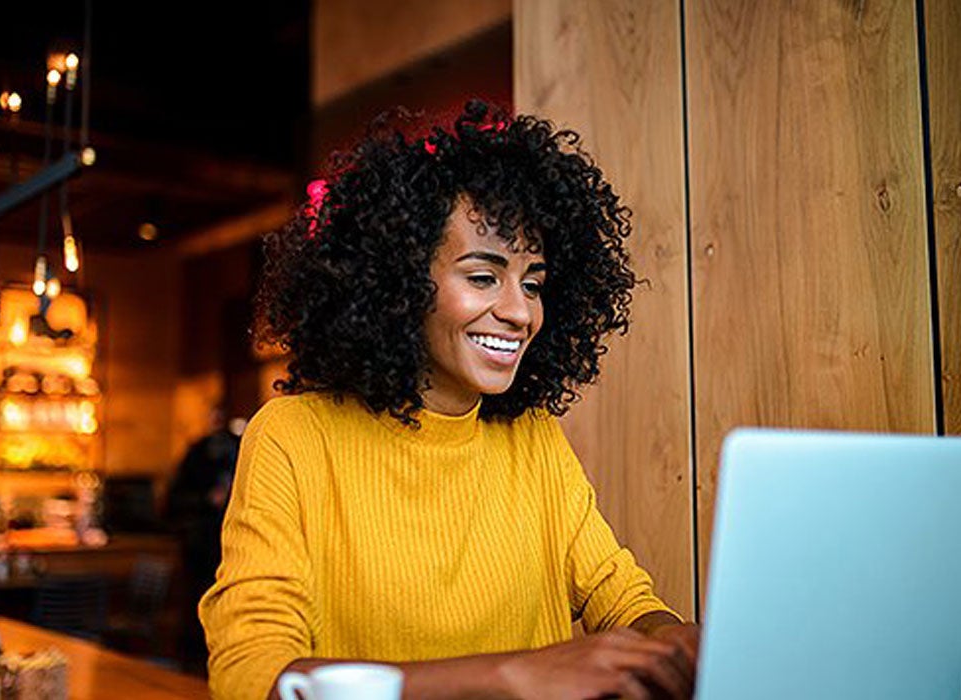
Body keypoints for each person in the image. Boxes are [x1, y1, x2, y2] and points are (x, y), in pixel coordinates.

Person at [199, 100, 700, 700]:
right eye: (483, 277)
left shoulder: (532, 435)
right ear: (400, 282)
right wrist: (506, 676)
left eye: (533, 284)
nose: (519, 312)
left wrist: (678, 640)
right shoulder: (293, 436)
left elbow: (622, 597)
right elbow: (250, 676)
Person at [168, 403, 242, 673]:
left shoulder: (242, 446)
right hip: (201, 546)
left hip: (234, 548)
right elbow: (173, 502)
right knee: (198, 608)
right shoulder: (197, 452)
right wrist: (207, 500)